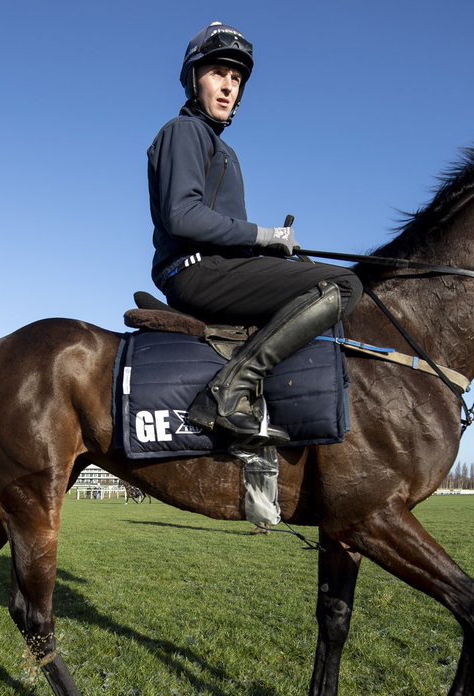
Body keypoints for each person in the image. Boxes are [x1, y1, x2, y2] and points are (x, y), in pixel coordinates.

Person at [147, 22, 363, 446]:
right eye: (217, 74)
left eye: (236, 78)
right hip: (196, 272)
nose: (228, 87)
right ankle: (227, 393)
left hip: (220, 265)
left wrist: (271, 249)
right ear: (194, 80)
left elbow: (224, 230)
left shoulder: (223, 148)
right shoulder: (183, 132)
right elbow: (182, 216)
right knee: (343, 282)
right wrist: (264, 236)